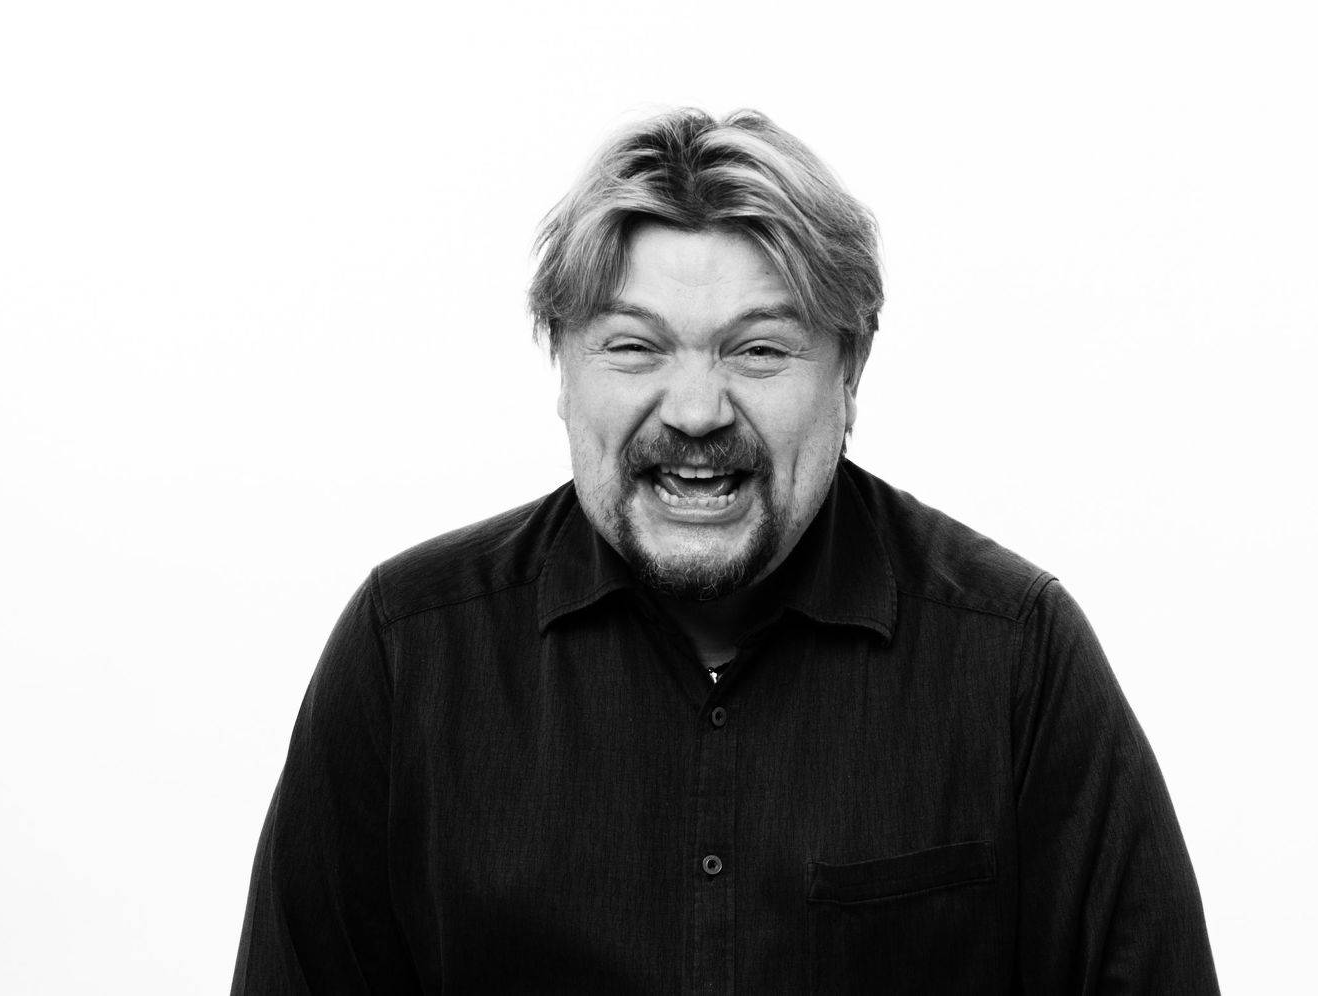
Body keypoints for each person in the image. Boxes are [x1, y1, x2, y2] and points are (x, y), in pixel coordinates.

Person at [231, 108, 1220, 994]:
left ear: (851, 370)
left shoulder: (1015, 658)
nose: (697, 411)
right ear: (562, 365)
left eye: (759, 349)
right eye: (634, 346)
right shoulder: (407, 653)